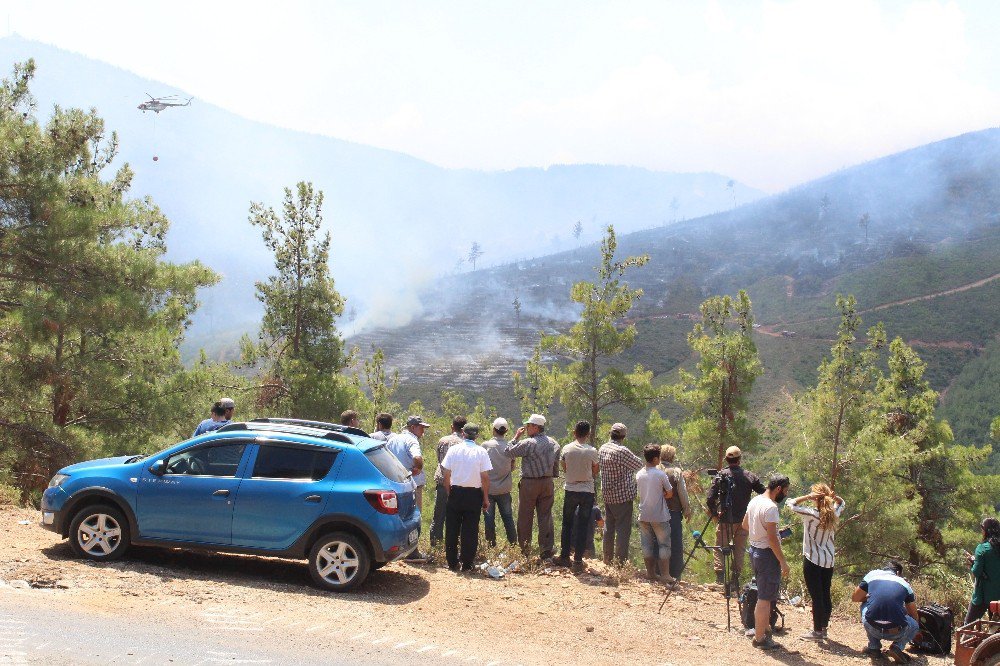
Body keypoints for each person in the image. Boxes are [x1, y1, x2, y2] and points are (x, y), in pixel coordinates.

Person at [787, 483, 845, 641]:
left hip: (812, 559)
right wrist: (835, 497)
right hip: (828, 560)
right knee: (825, 594)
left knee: (816, 596)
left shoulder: (811, 513)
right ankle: (823, 628)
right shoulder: (833, 514)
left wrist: (806, 497)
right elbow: (842, 503)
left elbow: (790, 504)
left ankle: (817, 631)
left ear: (815, 498)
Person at [743, 473, 791, 651]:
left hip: (754, 550)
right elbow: (772, 539)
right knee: (764, 598)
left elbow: (745, 525)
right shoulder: (771, 508)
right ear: (778, 489)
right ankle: (760, 638)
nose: (785, 495)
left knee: (765, 594)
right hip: (766, 555)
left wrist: (759, 533)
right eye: (785, 491)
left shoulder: (755, 501)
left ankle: (763, 629)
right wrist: (783, 562)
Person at [707, 445, 765, 587]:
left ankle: (720, 579)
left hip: (726, 518)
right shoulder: (750, 476)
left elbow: (710, 498)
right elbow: (764, 492)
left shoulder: (721, 475)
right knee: (739, 549)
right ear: (739, 460)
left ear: (726, 459)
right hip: (744, 520)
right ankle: (734, 581)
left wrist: (715, 513)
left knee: (720, 547)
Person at [506, 413, 561, 559]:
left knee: (525, 516)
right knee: (545, 516)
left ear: (536, 427)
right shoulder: (554, 443)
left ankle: (525, 551)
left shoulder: (528, 443)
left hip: (530, 483)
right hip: (547, 482)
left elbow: (508, 452)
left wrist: (516, 437)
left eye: (528, 425)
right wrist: (550, 477)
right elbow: (556, 464)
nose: (526, 428)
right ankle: (546, 550)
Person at [440, 423, 492, 571]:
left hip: (455, 492)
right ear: (477, 436)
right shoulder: (481, 452)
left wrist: (449, 492)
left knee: (451, 528)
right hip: (474, 494)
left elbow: (446, 474)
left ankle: (452, 562)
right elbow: (485, 478)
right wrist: (486, 498)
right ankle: (467, 563)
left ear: (463, 433)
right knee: (470, 530)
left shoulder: (453, 450)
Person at [852, 561, 919, 663]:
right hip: (896, 632)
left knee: (866, 605)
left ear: (884, 569)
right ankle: (897, 647)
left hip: (872, 627)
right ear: (898, 573)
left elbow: (855, 598)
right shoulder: (905, 584)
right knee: (914, 624)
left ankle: (873, 648)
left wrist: (870, 598)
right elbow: (914, 615)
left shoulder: (872, 575)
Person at [555, 420, 600, 570]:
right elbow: (595, 471)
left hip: (571, 489)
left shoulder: (567, 449)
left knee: (567, 524)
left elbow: (564, 467)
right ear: (588, 434)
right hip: (587, 491)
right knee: (583, 525)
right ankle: (578, 561)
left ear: (574, 432)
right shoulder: (592, 451)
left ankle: (564, 556)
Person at [599, 423, 644, 565]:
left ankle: (607, 559)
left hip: (607, 494)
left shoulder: (603, 448)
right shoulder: (622, 451)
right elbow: (639, 464)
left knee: (609, 528)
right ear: (623, 436)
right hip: (622, 496)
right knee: (623, 531)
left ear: (610, 433)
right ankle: (620, 563)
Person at [635, 444, 675, 584]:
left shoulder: (639, 474)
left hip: (644, 513)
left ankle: (650, 573)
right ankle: (665, 574)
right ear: (656, 458)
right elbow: (669, 493)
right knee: (664, 544)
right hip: (659, 515)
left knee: (646, 545)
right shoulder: (660, 474)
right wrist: (662, 494)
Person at [430, 416, 467, 546]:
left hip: (442, 482)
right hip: (459, 485)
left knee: (438, 516)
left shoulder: (443, 441)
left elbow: (440, 461)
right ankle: (454, 545)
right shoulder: (465, 444)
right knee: (458, 518)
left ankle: (435, 545)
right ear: (465, 429)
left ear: (452, 427)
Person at [481, 418, 517, 547]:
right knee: (508, 517)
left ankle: (491, 545)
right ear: (506, 431)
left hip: (488, 489)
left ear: (493, 430)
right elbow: (512, 467)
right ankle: (513, 544)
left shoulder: (485, 446)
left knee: (489, 518)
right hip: (505, 489)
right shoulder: (509, 447)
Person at [659, 444, 692, 580]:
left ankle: (658, 571)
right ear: (672, 457)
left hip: (656, 512)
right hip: (673, 512)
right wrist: (687, 510)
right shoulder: (676, 472)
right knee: (676, 544)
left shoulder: (654, 470)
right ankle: (675, 574)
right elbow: (682, 494)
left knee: (659, 542)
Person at [386, 415, 428, 516]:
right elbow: (417, 457)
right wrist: (418, 468)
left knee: (398, 516)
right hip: (412, 485)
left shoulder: (393, 440)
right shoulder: (412, 440)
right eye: (421, 427)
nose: (423, 431)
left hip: (395, 484)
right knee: (414, 516)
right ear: (413, 427)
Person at [964, 518, 1000, 623]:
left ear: (986, 531)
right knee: (995, 627)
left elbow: (977, 572)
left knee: (968, 625)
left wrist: (973, 562)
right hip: (998, 598)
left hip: (983, 596)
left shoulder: (982, 548)